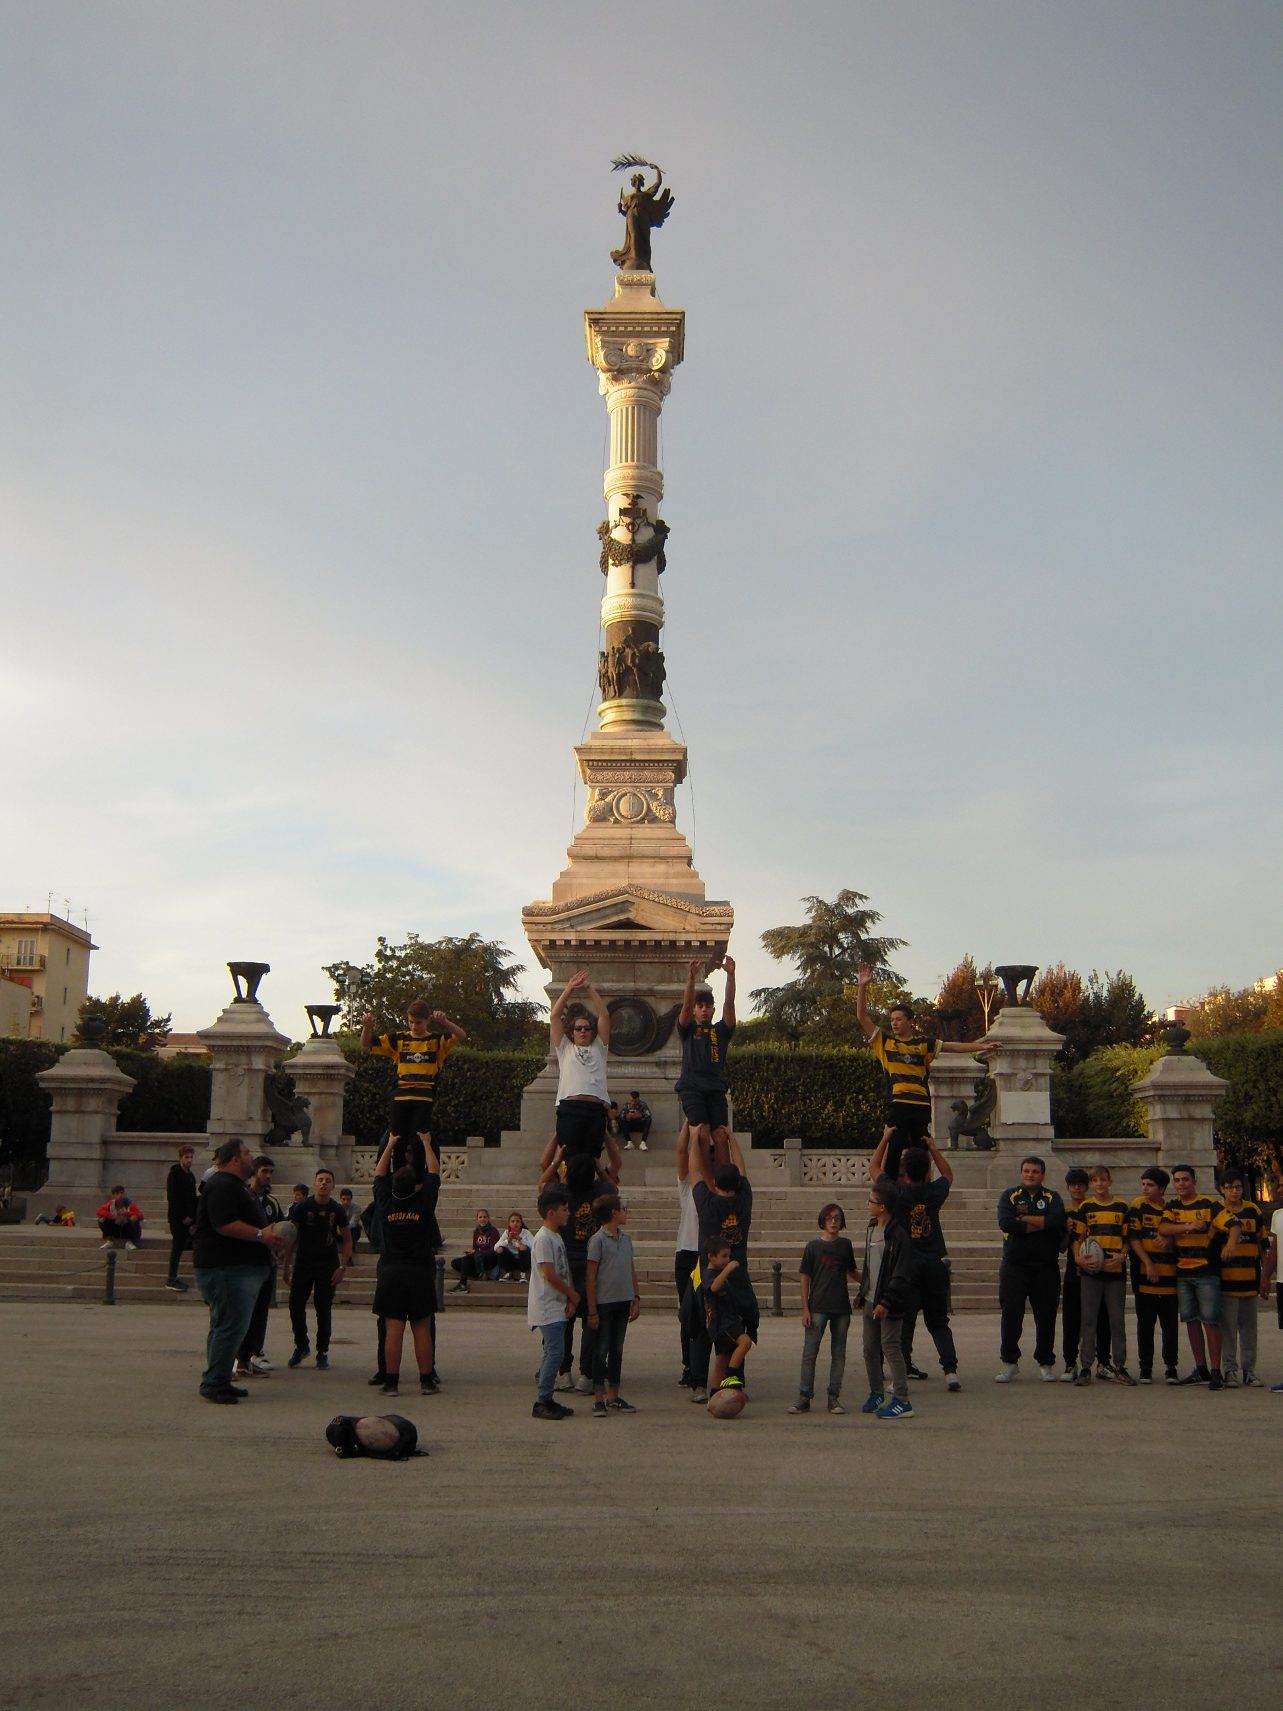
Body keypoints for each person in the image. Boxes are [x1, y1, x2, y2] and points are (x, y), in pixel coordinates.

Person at [855, 964, 999, 1180]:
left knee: (921, 1149)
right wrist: (862, 987)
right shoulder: (885, 1042)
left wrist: (983, 1047)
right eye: (892, 1020)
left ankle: (922, 1186)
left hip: (921, 1105)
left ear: (910, 1022)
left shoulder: (924, 1043)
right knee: (894, 1147)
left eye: (899, 1019)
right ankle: (891, 1189)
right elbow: (862, 1017)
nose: (894, 1023)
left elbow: (954, 1046)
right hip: (899, 1104)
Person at [191, 1137, 282, 1404]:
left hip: (235, 1268)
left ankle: (219, 1378)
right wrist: (260, 1235)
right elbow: (223, 1224)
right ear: (234, 1159)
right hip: (227, 1269)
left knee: (225, 1326)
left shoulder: (233, 1186)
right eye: (246, 1153)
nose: (251, 1157)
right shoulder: (222, 1186)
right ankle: (214, 1383)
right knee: (230, 1326)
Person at [872, 1132, 960, 1390]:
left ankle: (902, 1367)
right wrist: (933, 1147)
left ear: (904, 1170)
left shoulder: (895, 1191)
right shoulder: (933, 1191)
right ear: (925, 1171)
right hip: (934, 1262)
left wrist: (887, 1138)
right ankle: (950, 1370)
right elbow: (948, 1175)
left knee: (905, 1319)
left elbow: (874, 1167)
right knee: (939, 1321)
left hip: (906, 1265)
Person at [370, 1131, 441, 1397]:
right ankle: (425, 1380)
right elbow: (434, 1174)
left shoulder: (385, 1202)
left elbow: (377, 1175)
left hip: (391, 1270)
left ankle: (391, 1381)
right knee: (421, 1327)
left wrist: (389, 1144)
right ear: (415, 1185)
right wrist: (425, 1142)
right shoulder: (423, 1203)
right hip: (420, 1269)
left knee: (393, 1329)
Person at [361, 999, 468, 1174]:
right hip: (400, 1096)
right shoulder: (397, 1039)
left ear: (427, 1021)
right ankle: (398, 1179)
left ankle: (417, 1179)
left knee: (419, 1141)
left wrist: (445, 1022)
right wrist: (367, 1027)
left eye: (418, 1022)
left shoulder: (436, 1040)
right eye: (411, 1022)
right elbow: (366, 1043)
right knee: (397, 1140)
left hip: (423, 1097)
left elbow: (461, 1035)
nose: (414, 1026)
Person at [1158, 1164, 1239, 1389]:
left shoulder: (1209, 1204)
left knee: (1210, 1321)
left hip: (1206, 1271)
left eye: (1185, 1179)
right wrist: (1189, 1226)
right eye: (1178, 1180)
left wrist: (1231, 1244)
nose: (1181, 1184)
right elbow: (1163, 1227)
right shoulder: (1172, 1205)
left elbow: (1234, 1224)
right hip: (1183, 1272)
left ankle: (1215, 1370)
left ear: (1194, 1181)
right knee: (1190, 1320)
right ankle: (1200, 1368)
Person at [995, 1157, 1066, 1383]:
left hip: (1045, 1267)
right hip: (1014, 1266)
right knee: (1011, 1315)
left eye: (1035, 1171)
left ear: (1042, 1175)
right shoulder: (1009, 1196)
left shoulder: (1053, 1197)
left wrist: (1024, 1219)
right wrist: (1040, 1225)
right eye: (1026, 1171)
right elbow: (1006, 1223)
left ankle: (1045, 1363)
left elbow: (1056, 1221)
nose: (1030, 1175)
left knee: (1046, 1316)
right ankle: (1009, 1362)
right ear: (1021, 1173)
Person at [1067, 1165, 1135, 1386]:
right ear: (1092, 1184)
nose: (1099, 1184)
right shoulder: (1086, 1207)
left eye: (1103, 1180)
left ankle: (1119, 1366)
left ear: (1110, 1181)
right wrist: (1078, 1258)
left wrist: (1122, 1255)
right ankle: (1085, 1366)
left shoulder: (1122, 1206)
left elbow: (1128, 1239)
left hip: (1114, 1271)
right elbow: (1078, 1237)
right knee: (1088, 1320)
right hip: (1091, 1271)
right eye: (1095, 1180)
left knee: (1117, 1321)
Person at [856, 1182, 918, 1420]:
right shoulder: (871, 1227)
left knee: (891, 1347)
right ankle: (876, 1392)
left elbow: (900, 1273)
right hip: (871, 1297)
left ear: (882, 1207)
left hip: (889, 1301)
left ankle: (902, 1399)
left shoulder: (898, 1234)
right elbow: (870, 1265)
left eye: (871, 1201)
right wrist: (863, 1292)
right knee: (870, 1349)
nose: (867, 1205)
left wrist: (886, 1301)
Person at [789, 1203, 858, 1415]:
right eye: (829, 1218)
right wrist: (805, 1308)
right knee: (809, 1354)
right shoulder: (813, 1247)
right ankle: (804, 1395)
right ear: (822, 1220)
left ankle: (833, 1396)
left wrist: (869, 1286)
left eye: (837, 1218)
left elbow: (852, 1271)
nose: (834, 1222)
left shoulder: (845, 1245)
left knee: (839, 1354)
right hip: (817, 1305)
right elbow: (804, 1277)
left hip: (841, 1307)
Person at [555, 1153, 613, 1393]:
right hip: (592, 1263)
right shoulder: (600, 1193)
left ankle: (564, 1372)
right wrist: (600, 1167)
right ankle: (586, 1374)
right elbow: (612, 1188)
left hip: (567, 1262)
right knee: (591, 1319)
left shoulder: (562, 1195)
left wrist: (559, 1162)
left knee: (564, 1320)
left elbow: (544, 1183)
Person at [284, 1168, 352, 1370]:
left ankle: (322, 1350)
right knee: (295, 1305)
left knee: (323, 1308)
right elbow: (290, 1238)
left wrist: (342, 1266)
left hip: (327, 1263)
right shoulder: (302, 1208)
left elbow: (347, 1239)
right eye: (320, 1180)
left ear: (332, 1186)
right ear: (314, 1183)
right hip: (304, 1262)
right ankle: (301, 1345)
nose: (323, 1184)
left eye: (327, 1181)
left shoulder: (337, 1209)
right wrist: (287, 1265)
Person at [675, 957, 735, 1162]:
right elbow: (685, 1005)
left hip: (715, 1087)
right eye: (700, 1006)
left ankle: (723, 1180)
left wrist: (730, 975)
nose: (704, 1009)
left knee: (720, 1136)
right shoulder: (688, 1029)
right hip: (691, 1087)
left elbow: (729, 1003)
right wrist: (691, 978)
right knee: (701, 1133)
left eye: (708, 1006)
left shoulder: (721, 1030)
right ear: (695, 1009)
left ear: (712, 1009)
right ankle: (702, 1179)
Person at [586, 1193, 641, 1416]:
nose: (625, 1212)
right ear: (613, 1213)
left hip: (623, 1300)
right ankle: (598, 1397)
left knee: (617, 1349)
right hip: (604, 1302)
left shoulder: (626, 1239)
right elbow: (591, 1277)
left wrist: (636, 1297)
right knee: (601, 1350)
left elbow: (631, 1268)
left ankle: (614, 1395)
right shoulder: (597, 1240)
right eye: (623, 1209)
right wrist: (592, 1310)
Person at [549, 970, 613, 1164]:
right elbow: (554, 1016)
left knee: (592, 1158)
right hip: (570, 1108)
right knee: (568, 1159)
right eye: (578, 1028)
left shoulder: (599, 1048)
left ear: (593, 1032)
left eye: (587, 1028)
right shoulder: (565, 1048)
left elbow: (604, 1015)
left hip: (595, 1109)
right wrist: (569, 988)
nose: (583, 1031)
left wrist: (588, 989)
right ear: (572, 1032)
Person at [1127, 1167, 1180, 1384]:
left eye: (1150, 1185)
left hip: (1169, 1276)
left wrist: (1171, 1240)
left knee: (1170, 1325)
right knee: (1145, 1324)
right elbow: (1133, 1237)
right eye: (1143, 1184)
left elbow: (1182, 1235)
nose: (1145, 1189)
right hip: (1145, 1275)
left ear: (1162, 1188)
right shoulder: (1139, 1205)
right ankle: (1145, 1367)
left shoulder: (1172, 1208)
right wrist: (1148, 1263)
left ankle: (1170, 1366)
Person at [529, 1186, 578, 1420]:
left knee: (554, 1352)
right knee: (555, 1353)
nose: (568, 1213)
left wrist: (568, 1297)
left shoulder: (555, 1236)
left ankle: (548, 1397)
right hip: (547, 1306)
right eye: (564, 1209)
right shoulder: (542, 1239)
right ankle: (542, 1400)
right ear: (551, 1213)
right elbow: (549, 1273)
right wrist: (572, 1293)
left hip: (557, 1304)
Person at [233, 1155, 283, 1380]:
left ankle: (250, 1357)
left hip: (267, 1263)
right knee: (244, 1313)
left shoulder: (271, 1203)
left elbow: (281, 1229)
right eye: (265, 1171)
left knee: (261, 1313)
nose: (269, 1176)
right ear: (254, 1172)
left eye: (271, 1172)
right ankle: (237, 1359)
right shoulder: (242, 1197)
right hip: (246, 1262)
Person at [1060, 1167, 1112, 1380]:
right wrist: (1066, 1229)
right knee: (1071, 1319)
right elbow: (1061, 1246)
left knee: (1102, 1318)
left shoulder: (1095, 1209)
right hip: (1075, 1271)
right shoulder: (1064, 1213)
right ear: (1068, 1187)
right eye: (1073, 1184)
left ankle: (1103, 1361)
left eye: (1081, 1184)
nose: (1077, 1188)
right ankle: (1070, 1362)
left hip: (1098, 1271)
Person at [1218, 1170, 1267, 1386]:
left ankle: (1249, 1370)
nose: (1234, 1191)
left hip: (1249, 1279)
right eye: (1230, 1187)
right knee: (1228, 1329)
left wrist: (1265, 1276)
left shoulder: (1253, 1210)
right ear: (1222, 1190)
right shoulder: (1218, 1212)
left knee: (1249, 1329)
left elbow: (1263, 1244)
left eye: (1237, 1187)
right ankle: (1230, 1370)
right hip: (1227, 1281)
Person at [673, 1122, 707, 1397]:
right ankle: (689, 1366)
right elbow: (681, 1151)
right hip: (686, 1254)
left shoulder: (716, 1187)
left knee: (707, 1314)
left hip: (707, 1255)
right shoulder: (687, 1187)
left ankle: (707, 1369)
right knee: (687, 1315)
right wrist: (690, 1123)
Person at [699, 1237, 757, 1393]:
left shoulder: (718, 1274)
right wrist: (728, 1269)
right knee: (745, 1342)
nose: (727, 1260)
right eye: (724, 1256)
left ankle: (715, 1393)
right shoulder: (709, 1274)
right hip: (722, 1323)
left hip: (729, 1320)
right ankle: (731, 1375)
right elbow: (713, 1287)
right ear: (711, 1256)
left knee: (721, 1359)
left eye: (729, 1256)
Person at [690, 1127, 752, 1270]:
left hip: (709, 1273)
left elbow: (694, 1170)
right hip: (738, 1272)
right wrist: (731, 1137)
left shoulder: (707, 1203)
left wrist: (694, 1140)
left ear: (715, 1183)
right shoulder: (744, 1198)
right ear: (738, 1183)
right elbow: (741, 1167)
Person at [165, 1144, 198, 1290]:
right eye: (187, 1157)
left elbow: (191, 1198)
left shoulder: (190, 1176)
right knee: (177, 1246)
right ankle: (171, 1277)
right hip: (177, 1218)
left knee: (189, 1244)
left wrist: (192, 1217)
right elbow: (173, 1198)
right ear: (180, 1158)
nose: (189, 1160)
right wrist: (183, 1216)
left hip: (189, 1218)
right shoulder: (174, 1174)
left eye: (191, 1157)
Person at [1262, 1179, 1283, 1392]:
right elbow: (1274, 1249)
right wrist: (1266, 1276)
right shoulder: (1278, 1216)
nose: (1278, 1190)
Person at [449, 1208, 502, 1293]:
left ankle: (463, 1285)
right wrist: (472, 1251)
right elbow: (475, 1248)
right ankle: (479, 1274)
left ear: (488, 1218)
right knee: (455, 1263)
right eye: (480, 1217)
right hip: (478, 1257)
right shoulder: (477, 1231)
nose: (482, 1219)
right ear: (477, 1219)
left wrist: (477, 1252)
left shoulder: (493, 1231)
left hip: (490, 1258)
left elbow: (492, 1250)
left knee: (466, 1260)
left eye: (485, 1217)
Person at [493, 1212, 534, 1281]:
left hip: (524, 1260)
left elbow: (534, 1246)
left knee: (523, 1247)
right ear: (509, 1223)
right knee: (500, 1249)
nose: (515, 1223)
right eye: (513, 1221)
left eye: (517, 1221)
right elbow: (495, 1247)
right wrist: (507, 1241)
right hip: (511, 1260)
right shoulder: (506, 1233)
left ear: (521, 1223)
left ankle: (523, 1274)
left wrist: (521, 1240)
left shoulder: (526, 1232)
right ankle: (508, 1272)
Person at [338, 1188, 362, 1257]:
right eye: (344, 1199)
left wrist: (343, 1228)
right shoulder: (337, 1207)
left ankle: (349, 1255)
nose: (346, 1202)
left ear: (351, 1199)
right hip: (339, 1232)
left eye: (348, 1199)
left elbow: (354, 1222)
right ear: (340, 1199)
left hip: (350, 1232)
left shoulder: (356, 1208)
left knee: (355, 1228)